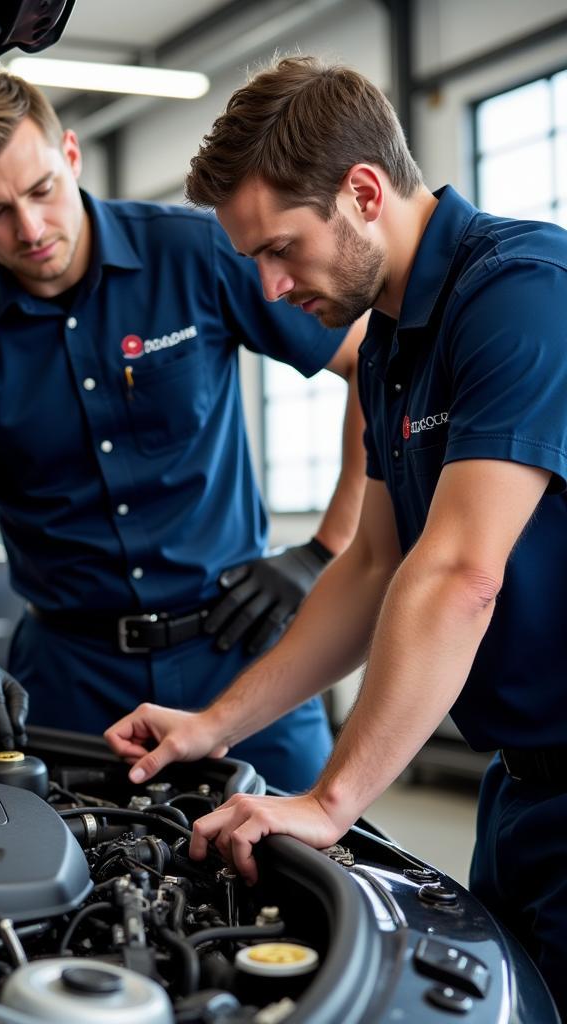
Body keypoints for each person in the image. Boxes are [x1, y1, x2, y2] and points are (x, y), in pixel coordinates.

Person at [104, 54, 567, 1014]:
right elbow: (374, 567)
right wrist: (213, 725)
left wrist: (330, 801)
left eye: (281, 249)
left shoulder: (525, 296)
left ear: (363, 192)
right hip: (521, 790)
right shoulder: (390, 345)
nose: (270, 290)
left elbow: (457, 574)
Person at [0, 70, 367, 792]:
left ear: (71, 156)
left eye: (42, 189)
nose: (31, 228)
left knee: (317, 864)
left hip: (243, 653)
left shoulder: (197, 255)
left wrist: (325, 550)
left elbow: (368, 362)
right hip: (72, 681)